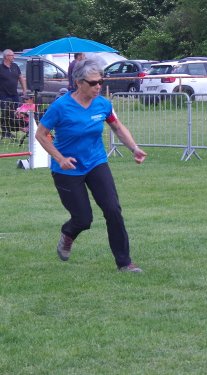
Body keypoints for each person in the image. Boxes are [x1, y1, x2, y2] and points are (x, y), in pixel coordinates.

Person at [35, 59, 147, 272]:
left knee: (113, 210)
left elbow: (117, 127)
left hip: (96, 162)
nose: (98, 86)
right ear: (79, 82)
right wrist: (60, 158)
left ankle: (124, 263)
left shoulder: (103, 104)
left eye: (100, 82)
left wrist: (134, 148)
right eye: (93, 82)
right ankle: (68, 233)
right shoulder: (60, 106)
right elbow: (41, 134)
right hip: (67, 168)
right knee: (83, 219)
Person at [1, 49, 27, 139]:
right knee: (5, 113)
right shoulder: (0, 67)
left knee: (17, 111)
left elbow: (21, 78)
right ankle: (5, 132)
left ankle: (17, 128)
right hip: (3, 94)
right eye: (12, 55)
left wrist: (24, 90)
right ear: (6, 57)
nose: (14, 57)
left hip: (14, 94)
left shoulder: (15, 66)